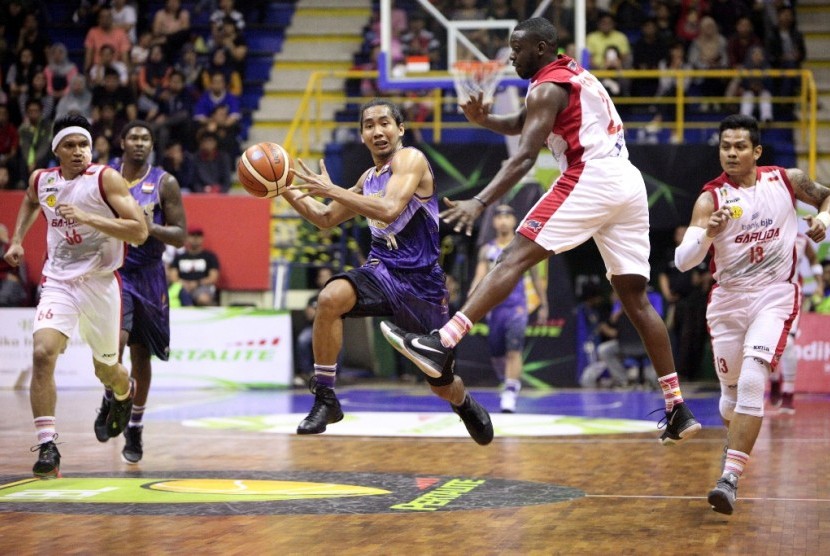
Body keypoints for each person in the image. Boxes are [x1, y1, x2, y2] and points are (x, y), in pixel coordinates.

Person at [381, 17, 700, 446]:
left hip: (591, 176)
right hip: (628, 183)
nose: (510, 55)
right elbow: (523, 124)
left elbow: (525, 155)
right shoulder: (567, 78)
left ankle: (443, 341)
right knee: (635, 298)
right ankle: (677, 407)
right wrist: (487, 120)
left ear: (543, 48)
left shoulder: (548, 85)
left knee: (511, 256)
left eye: (517, 48)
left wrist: (482, 201)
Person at [285, 98, 493, 445]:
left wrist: (331, 189)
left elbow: (390, 209)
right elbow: (324, 218)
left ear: (400, 130)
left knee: (441, 385)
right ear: (363, 135)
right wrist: (284, 188)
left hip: (422, 286)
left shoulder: (410, 159)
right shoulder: (368, 177)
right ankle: (325, 398)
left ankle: (463, 402)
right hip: (382, 272)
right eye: (369, 125)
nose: (377, 130)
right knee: (330, 297)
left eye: (385, 123)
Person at [674, 114, 830, 515]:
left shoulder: (787, 180)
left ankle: (729, 478)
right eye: (725, 146)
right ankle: (737, 442)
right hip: (728, 301)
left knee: (752, 381)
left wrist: (823, 222)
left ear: (756, 151)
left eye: (740, 146)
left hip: (774, 296)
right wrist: (708, 233)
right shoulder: (711, 199)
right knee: (729, 396)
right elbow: (681, 261)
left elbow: (828, 197)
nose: (731, 153)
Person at [3, 113, 149, 478]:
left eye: (84, 144)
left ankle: (123, 392)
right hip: (59, 282)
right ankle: (48, 444)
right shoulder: (43, 179)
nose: (80, 151)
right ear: (57, 150)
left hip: (101, 283)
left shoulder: (105, 179)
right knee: (42, 353)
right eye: (70, 145)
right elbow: (30, 200)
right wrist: (18, 239)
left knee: (107, 370)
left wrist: (89, 217)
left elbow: (139, 231)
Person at [92, 120, 186, 464]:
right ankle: (111, 394)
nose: (139, 143)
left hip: (149, 274)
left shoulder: (165, 183)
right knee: (113, 344)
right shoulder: (103, 178)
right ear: (121, 141)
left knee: (141, 356)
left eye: (145, 138)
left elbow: (180, 235)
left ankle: (135, 425)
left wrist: (151, 226)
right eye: (133, 136)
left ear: (151, 145)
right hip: (116, 271)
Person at [469, 204, 548, 412]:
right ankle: (508, 381)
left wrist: (543, 304)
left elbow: (535, 278)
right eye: (499, 217)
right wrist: (470, 304)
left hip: (517, 307)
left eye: (508, 216)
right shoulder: (487, 250)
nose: (503, 220)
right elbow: (479, 276)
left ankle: (510, 392)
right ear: (494, 222)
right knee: (497, 354)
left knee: (514, 349)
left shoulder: (523, 247)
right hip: (495, 309)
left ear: (515, 221)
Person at [169, 227, 220, 306]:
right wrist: (184, 283)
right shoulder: (179, 257)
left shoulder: (209, 257)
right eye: (192, 235)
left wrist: (197, 283)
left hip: (202, 287)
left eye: (198, 236)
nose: (195, 239)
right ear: (187, 238)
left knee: (203, 299)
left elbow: (213, 277)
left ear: (202, 238)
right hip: (182, 287)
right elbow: (172, 276)